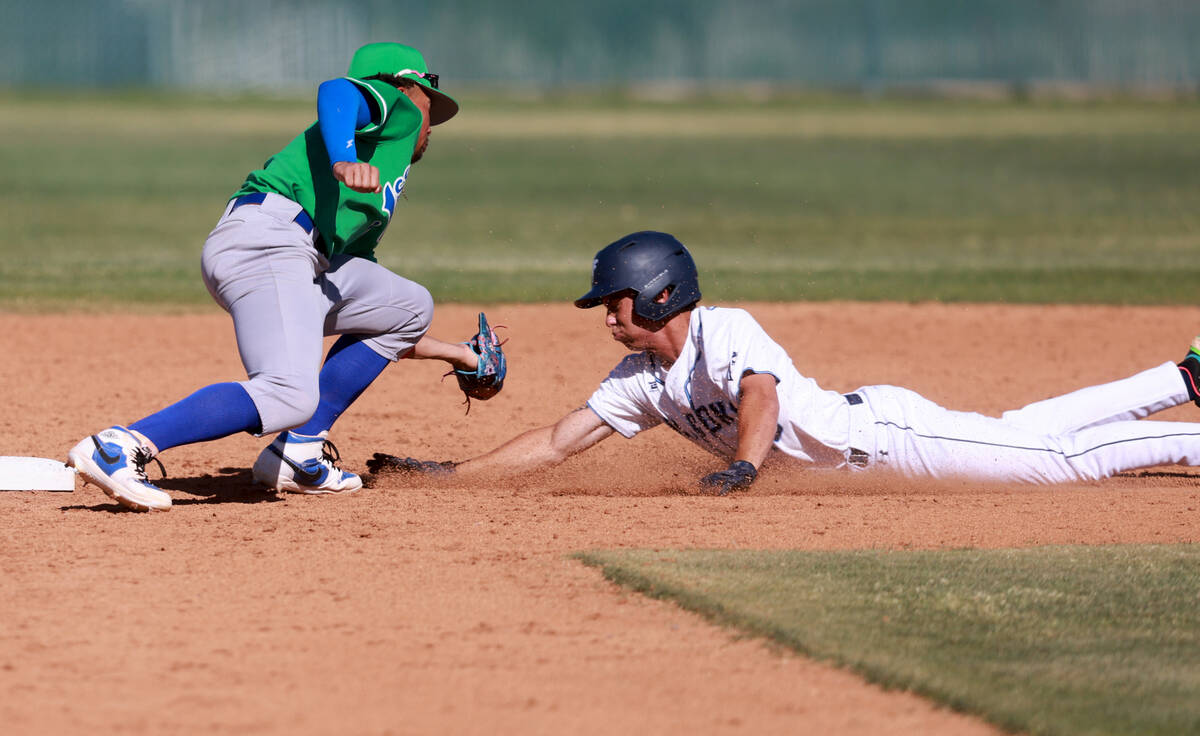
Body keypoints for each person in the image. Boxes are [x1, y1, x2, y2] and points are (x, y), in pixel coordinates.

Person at [368, 230, 1200, 493]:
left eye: (614, 302)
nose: (607, 317)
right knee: (1025, 433)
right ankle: (1183, 380)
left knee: (1052, 464)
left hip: (891, 442)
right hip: (876, 431)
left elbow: (760, 400)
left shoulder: (726, 333)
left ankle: (1187, 434)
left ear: (658, 295)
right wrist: (456, 475)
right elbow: (558, 441)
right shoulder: (643, 381)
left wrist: (742, 468)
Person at [69, 42, 498, 512]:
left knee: (408, 305)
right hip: (268, 242)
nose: (431, 121)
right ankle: (119, 447)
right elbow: (337, 92)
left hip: (299, 257)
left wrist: (458, 355)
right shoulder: (392, 105)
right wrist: (342, 157)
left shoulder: (378, 191)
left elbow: (372, 325)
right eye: (429, 100)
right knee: (289, 393)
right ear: (406, 85)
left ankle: (298, 454)